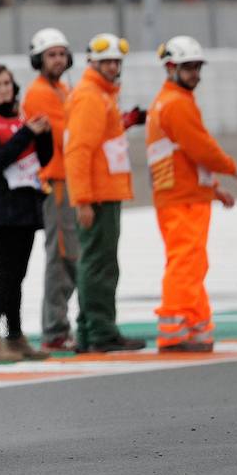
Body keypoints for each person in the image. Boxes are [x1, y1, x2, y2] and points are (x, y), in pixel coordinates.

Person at [146, 36, 237, 353]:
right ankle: (175, 331)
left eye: (196, 67)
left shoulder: (175, 100)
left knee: (193, 262)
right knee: (186, 263)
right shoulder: (175, 104)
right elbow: (200, 148)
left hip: (186, 193)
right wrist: (230, 167)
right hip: (181, 198)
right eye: (188, 68)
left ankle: (196, 327)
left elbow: (187, 158)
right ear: (171, 68)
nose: (195, 73)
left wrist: (215, 190)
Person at [63, 34, 146, 353]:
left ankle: (91, 331)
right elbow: (78, 151)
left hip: (103, 193)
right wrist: (82, 199)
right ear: (92, 63)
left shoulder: (100, 95)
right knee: (100, 264)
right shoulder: (91, 96)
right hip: (96, 197)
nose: (113, 67)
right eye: (106, 62)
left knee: (98, 262)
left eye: (116, 62)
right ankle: (100, 331)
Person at [0, 64, 53, 362]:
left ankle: (15, 335)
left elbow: (44, 157)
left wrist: (43, 134)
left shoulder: (18, 118)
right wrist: (27, 132)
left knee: (18, 275)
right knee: (5, 274)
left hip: (27, 205)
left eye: (7, 83)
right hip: (3, 208)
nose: (4, 89)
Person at [21, 28, 79, 352]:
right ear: (39, 60)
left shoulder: (63, 89)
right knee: (61, 255)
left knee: (70, 254)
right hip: (55, 182)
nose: (58, 60)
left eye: (61, 54)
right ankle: (55, 328)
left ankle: (59, 325)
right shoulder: (40, 93)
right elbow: (65, 134)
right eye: (51, 55)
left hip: (69, 179)